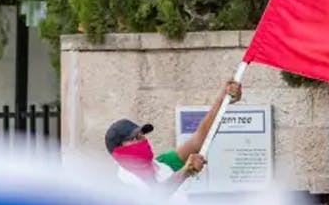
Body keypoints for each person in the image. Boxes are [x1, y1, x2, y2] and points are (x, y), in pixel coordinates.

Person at [104, 79, 242, 193]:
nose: (142, 140)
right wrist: (184, 173)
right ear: (118, 152)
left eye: (142, 135)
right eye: (134, 138)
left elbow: (200, 138)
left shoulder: (164, 163)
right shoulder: (118, 183)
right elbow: (151, 203)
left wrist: (222, 101)